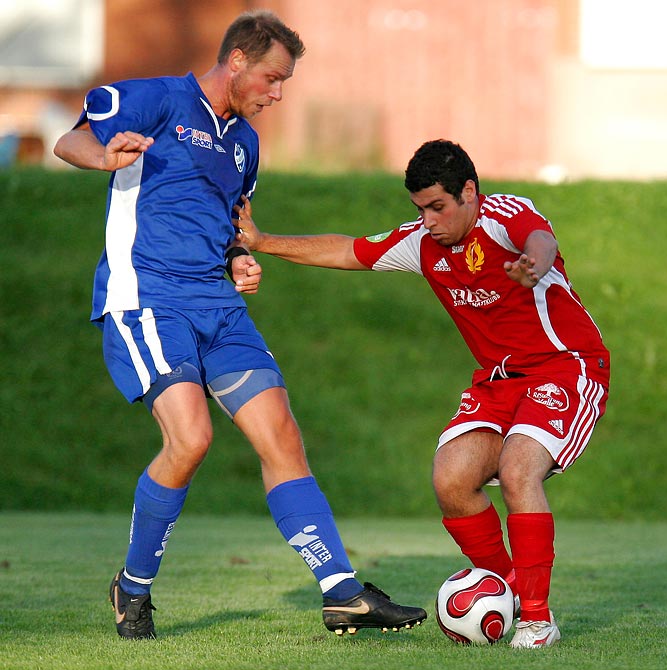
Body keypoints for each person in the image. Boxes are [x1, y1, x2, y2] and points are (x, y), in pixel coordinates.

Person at [53, 10, 426, 640]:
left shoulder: (244, 143)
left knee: (281, 433)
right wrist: (104, 157)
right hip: (147, 300)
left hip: (218, 308)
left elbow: (230, 224)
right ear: (239, 62)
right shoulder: (159, 97)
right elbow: (72, 139)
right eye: (273, 79)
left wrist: (241, 258)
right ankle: (133, 587)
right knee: (191, 439)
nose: (277, 94)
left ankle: (342, 593)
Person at [235, 139, 610, 649]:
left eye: (438, 206)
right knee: (451, 479)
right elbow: (349, 250)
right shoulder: (422, 242)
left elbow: (539, 238)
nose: (429, 220)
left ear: (469, 193)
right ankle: (512, 589)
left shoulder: (504, 215)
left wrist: (535, 264)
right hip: (499, 379)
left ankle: (538, 621)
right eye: (420, 209)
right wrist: (262, 241)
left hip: (565, 367)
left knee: (522, 470)